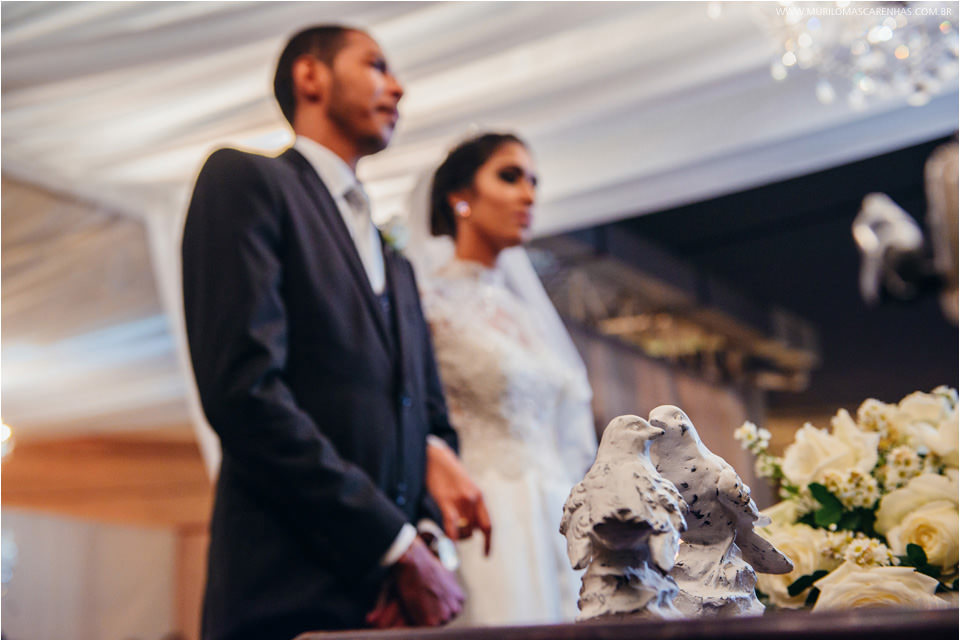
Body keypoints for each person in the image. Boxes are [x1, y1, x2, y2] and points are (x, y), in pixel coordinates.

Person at [181, 25, 490, 638]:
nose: (397, 87)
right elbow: (246, 392)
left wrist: (425, 543)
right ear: (310, 76)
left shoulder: (395, 261)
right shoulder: (246, 182)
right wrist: (394, 546)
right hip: (286, 594)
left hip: (394, 606)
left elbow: (429, 420)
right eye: (376, 65)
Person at [407, 133, 600, 625]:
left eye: (534, 181)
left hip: (558, 513)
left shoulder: (531, 317)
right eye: (509, 177)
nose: (528, 195)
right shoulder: (429, 307)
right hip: (488, 516)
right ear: (460, 198)